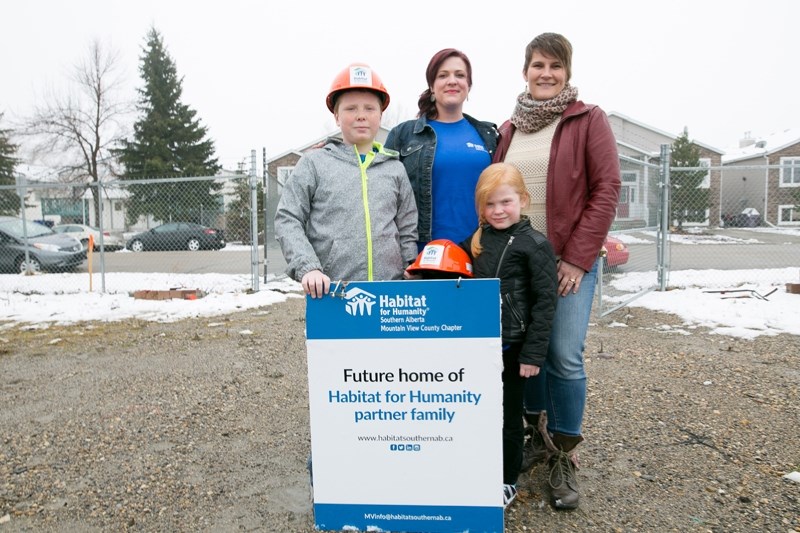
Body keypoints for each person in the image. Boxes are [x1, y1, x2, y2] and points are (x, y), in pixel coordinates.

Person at [493, 33, 621, 510]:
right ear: (524, 70)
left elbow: (606, 189)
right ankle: (537, 437)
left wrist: (577, 258)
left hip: (568, 264)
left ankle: (564, 454)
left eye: (555, 66)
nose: (546, 73)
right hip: (521, 267)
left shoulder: (588, 120)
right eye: (537, 64)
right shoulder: (509, 130)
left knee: (564, 352)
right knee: (532, 351)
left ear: (567, 72)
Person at [459, 162, 557, 508]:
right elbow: (450, 268)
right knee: (477, 409)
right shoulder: (476, 239)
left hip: (514, 348)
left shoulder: (535, 244)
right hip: (479, 345)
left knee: (509, 417)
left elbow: (546, 303)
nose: (498, 211)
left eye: (505, 202)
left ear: (523, 200)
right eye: (489, 204)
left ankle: (506, 480)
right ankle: (475, 467)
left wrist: (533, 354)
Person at [275, 63, 419, 298]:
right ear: (336, 116)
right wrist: (308, 267)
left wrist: (409, 267)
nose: (361, 115)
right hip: (332, 294)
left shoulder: (394, 169)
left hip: (390, 294)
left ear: (380, 114)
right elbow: (288, 218)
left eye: (370, 108)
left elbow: (407, 228)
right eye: (351, 108)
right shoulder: (314, 164)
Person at [385, 48, 498, 252]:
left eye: (460, 75)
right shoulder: (404, 135)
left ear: (469, 85)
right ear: (432, 85)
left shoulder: (489, 136)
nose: (452, 81)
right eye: (443, 75)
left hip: (481, 254)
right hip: (423, 257)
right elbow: (379, 192)